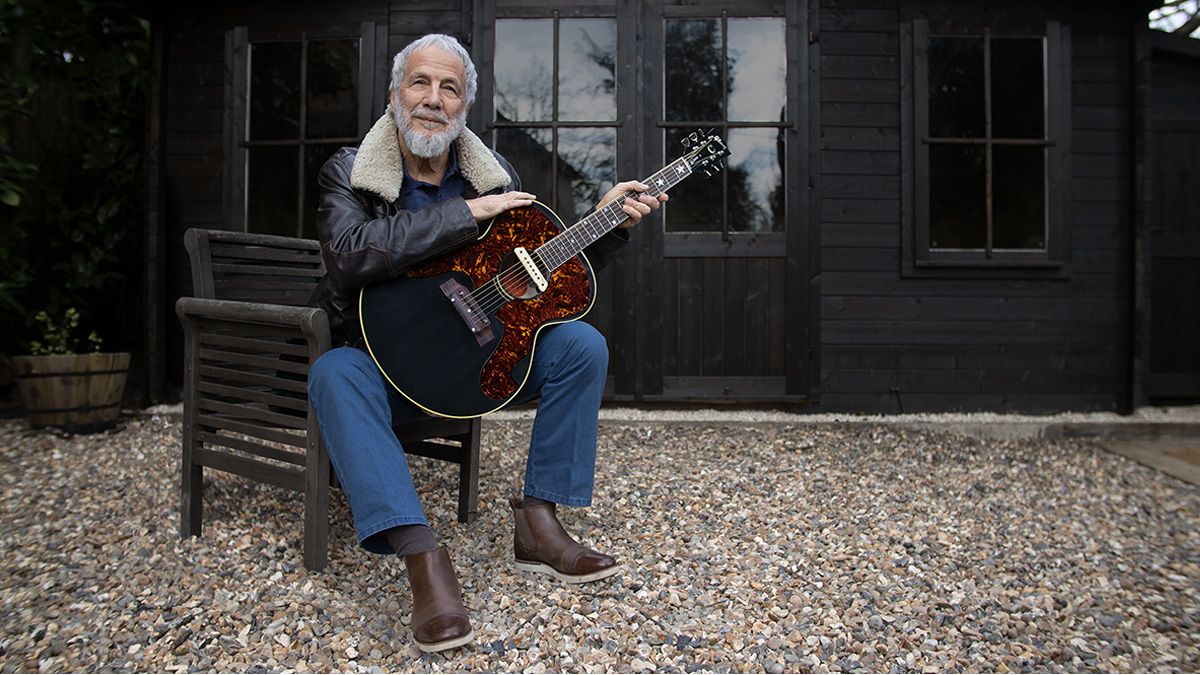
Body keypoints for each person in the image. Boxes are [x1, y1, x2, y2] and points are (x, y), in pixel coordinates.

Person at [305, 33, 666, 653]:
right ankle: (423, 560)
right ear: (395, 94)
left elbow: (536, 280)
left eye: (450, 89)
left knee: (581, 344)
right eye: (421, 82)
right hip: (382, 368)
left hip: (477, 362)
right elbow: (347, 256)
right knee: (334, 373)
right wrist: (467, 214)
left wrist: (604, 227)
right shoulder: (350, 171)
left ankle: (539, 521)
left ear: (464, 106)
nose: (433, 99)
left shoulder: (493, 176)